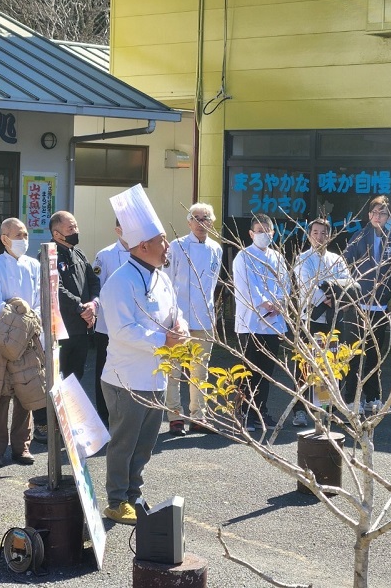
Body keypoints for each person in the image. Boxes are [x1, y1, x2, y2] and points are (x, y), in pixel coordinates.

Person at [100, 184, 188, 525]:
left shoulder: (161, 278)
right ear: (144, 245)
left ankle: (133, 494)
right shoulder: (120, 281)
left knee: (146, 442)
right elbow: (122, 330)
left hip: (154, 374)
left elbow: (174, 311)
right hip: (126, 377)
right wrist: (164, 340)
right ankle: (116, 499)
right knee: (124, 442)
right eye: (164, 240)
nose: (168, 247)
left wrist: (177, 327)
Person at [32, 211, 100, 443]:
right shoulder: (47, 254)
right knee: (52, 377)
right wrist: (80, 307)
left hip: (81, 328)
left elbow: (93, 280)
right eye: (70, 228)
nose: (75, 231)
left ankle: (67, 419)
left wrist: (93, 304)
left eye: (76, 226)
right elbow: (55, 288)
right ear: (56, 233)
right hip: (58, 328)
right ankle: (44, 422)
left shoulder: (78, 252)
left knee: (75, 374)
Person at [0, 218, 41, 466]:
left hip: (30, 339)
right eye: (18, 235)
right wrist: (18, 327)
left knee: (26, 393)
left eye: (26, 235)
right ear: (5, 238)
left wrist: (29, 325)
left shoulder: (35, 265)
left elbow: (39, 301)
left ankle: (22, 446)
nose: (23, 240)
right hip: (1, 339)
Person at [165, 203, 223, 436]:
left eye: (206, 218)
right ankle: (174, 417)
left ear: (212, 222)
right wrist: (170, 317)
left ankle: (199, 416)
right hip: (178, 318)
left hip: (204, 317)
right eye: (196, 218)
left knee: (201, 370)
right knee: (174, 370)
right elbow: (166, 283)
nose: (201, 223)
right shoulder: (176, 246)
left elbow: (213, 284)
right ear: (189, 222)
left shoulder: (216, 249)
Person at [342, 195, 391, 415]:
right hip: (359, 305)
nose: (378, 217)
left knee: (375, 354)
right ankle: (350, 398)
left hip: (381, 307)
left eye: (383, 213)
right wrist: (348, 297)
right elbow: (344, 266)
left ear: (389, 217)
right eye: (375, 213)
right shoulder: (358, 238)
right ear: (369, 215)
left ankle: (373, 396)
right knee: (356, 354)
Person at [232, 213, 289, 431]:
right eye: (259, 231)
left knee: (267, 371)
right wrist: (265, 304)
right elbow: (247, 288)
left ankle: (261, 410)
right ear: (251, 233)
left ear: (273, 233)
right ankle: (244, 412)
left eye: (268, 231)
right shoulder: (243, 257)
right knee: (249, 370)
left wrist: (279, 303)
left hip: (274, 323)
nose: (264, 235)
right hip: (252, 323)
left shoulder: (278, 257)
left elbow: (285, 285)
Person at [292, 218, 351, 427]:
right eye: (315, 233)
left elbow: (347, 282)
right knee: (306, 364)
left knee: (331, 363)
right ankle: (300, 409)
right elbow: (307, 285)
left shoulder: (337, 259)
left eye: (323, 233)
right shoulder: (302, 258)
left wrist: (335, 297)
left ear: (330, 235)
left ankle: (326, 408)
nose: (319, 237)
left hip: (334, 317)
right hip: (312, 317)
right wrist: (328, 296)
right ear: (309, 235)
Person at [91, 219, 131, 427]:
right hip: (108, 325)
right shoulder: (104, 255)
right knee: (104, 370)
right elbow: (97, 288)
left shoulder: (143, 252)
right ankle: (104, 416)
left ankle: (125, 414)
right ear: (118, 229)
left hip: (134, 325)